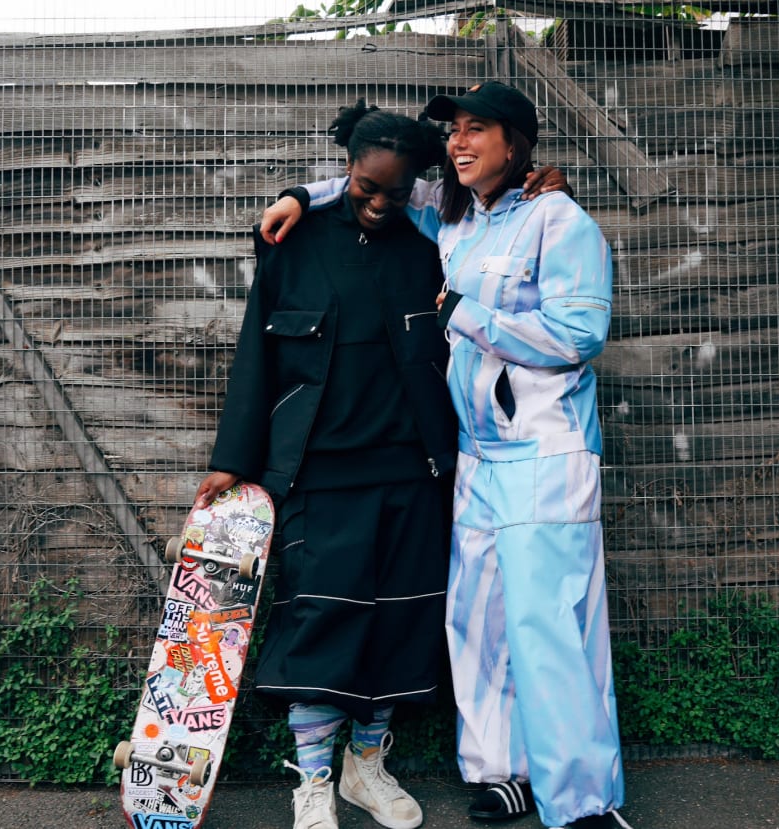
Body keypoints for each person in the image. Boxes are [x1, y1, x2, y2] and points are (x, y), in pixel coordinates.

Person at [261, 81, 630, 829]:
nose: (459, 143)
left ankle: (585, 802)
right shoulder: (455, 218)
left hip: (545, 454)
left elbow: (580, 335)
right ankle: (503, 773)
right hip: (476, 460)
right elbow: (376, 183)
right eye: (454, 131)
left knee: (551, 626)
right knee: (479, 625)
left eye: (477, 130)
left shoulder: (560, 221)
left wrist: (472, 314)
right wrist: (303, 193)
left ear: (516, 144)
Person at [193, 100, 457, 829]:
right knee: (321, 627)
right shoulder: (293, 238)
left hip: (413, 471)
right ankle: (311, 781)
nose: (377, 203)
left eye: (394, 192)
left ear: (415, 188)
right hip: (317, 474)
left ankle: (366, 767)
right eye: (366, 187)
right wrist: (232, 461)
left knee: (400, 627)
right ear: (346, 170)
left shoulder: (433, 238)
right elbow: (258, 354)